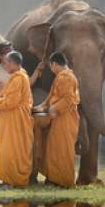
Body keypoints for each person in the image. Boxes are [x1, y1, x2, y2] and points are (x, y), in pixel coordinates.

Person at [0, 41, 42, 184]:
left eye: (9, 62)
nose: (7, 64)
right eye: (6, 58)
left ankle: (15, 179)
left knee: (12, 149)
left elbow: (13, 99)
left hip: (13, 113)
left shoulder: (19, 76)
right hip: (2, 113)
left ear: (14, 63)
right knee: (0, 148)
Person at [35, 52, 80, 188]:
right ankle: (54, 178)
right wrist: (39, 107)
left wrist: (54, 109)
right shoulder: (61, 77)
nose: (51, 69)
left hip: (65, 118)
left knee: (62, 149)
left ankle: (63, 181)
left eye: (51, 66)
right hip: (59, 117)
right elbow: (51, 98)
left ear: (54, 64)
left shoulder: (66, 77)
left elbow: (69, 99)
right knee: (54, 148)